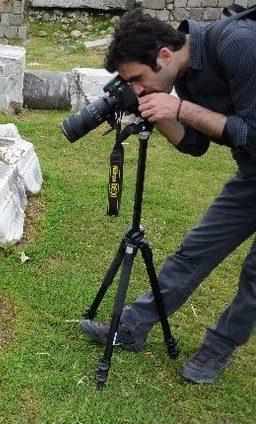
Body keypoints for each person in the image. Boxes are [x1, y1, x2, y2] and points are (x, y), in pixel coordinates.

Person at [80, 8, 256, 384]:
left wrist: (178, 106)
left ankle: (219, 345)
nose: (138, 88)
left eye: (139, 80)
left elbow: (250, 133)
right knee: (196, 248)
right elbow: (194, 144)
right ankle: (132, 326)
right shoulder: (186, 69)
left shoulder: (240, 44)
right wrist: (157, 114)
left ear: (163, 54)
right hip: (253, 173)